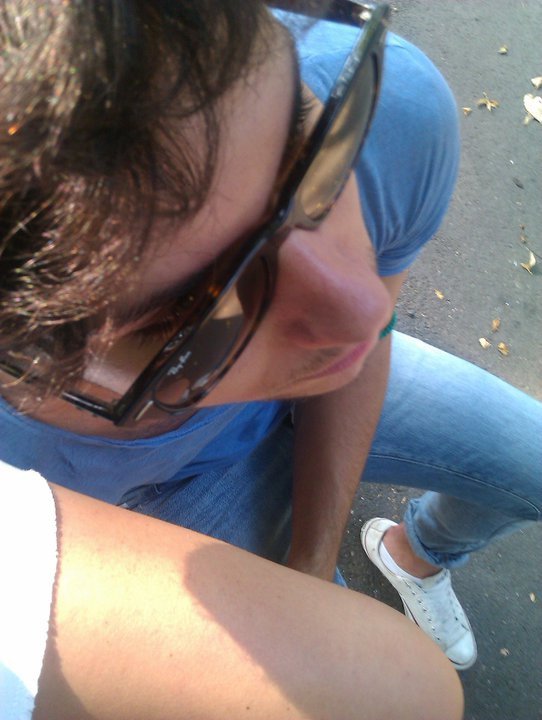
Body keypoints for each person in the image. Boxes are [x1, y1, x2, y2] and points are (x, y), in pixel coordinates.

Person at [0, 1, 539, 718]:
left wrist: (312, 559)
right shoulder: (18, 479)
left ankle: (416, 553)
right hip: (153, 499)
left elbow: (367, 339)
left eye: (315, 159)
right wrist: (307, 602)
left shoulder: (391, 106)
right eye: (196, 319)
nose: (363, 305)